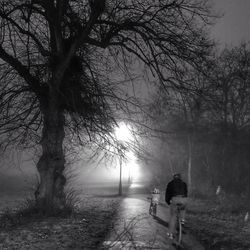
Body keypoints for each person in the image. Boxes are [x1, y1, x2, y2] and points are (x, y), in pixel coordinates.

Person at [165, 173, 188, 240]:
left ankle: (171, 234)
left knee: (173, 217)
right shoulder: (184, 183)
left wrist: (168, 201)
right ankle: (182, 219)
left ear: (173, 177)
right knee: (183, 208)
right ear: (180, 177)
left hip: (174, 199)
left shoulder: (170, 183)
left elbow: (168, 194)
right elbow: (186, 192)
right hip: (183, 199)